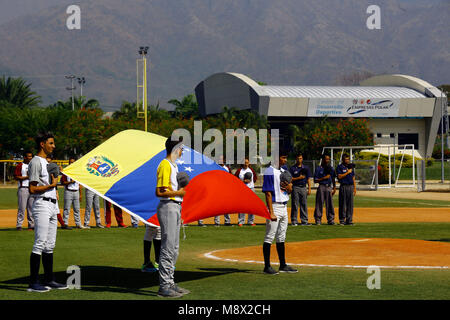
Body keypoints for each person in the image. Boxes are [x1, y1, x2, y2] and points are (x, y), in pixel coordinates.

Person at [27, 131, 68, 292]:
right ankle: (33, 282)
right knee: (40, 243)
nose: (54, 146)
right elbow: (32, 188)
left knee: (50, 246)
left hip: (52, 204)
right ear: (42, 144)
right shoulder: (36, 162)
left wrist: (54, 187)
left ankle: (49, 279)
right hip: (42, 204)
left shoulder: (46, 162)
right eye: (51, 143)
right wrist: (51, 186)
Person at [155, 137, 190, 298]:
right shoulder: (165, 165)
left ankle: (170, 282)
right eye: (181, 148)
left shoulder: (174, 166)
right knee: (168, 248)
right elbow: (159, 192)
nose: (182, 151)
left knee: (174, 248)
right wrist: (179, 193)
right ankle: (164, 286)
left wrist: (180, 191)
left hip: (175, 206)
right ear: (176, 149)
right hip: (168, 205)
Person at [262, 148, 298, 275]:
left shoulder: (284, 171)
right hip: (275, 207)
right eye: (283, 157)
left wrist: (289, 188)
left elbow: (287, 190)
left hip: (283, 206)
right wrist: (270, 212)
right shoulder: (269, 172)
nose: (285, 160)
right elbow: (267, 193)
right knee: (269, 237)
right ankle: (267, 267)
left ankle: (283, 265)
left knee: (281, 237)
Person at [61, 157, 85, 229]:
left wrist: (80, 194)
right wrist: (70, 182)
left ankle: (78, 224)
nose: (72, 163)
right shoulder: (66, 171)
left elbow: (79, 184)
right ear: (68, 163)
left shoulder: (77, 171)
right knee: (66, 208)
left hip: (76, 191)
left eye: (73, 162)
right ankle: (65, 223)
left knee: (77, 209)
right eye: (70, 162)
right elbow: (63, 182)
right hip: (68, 191)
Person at [289, 152, 312, 226]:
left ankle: (304, 220)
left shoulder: (306, 168)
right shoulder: (292, 168)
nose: (300, 160)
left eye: (301, 158)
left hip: (303, 187)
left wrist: (309, 188)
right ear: (296, 159)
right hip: (295, 187)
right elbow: (290, 179)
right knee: (295, 204)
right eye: (298, 158)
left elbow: (308, 179)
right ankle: (294, 220)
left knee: (304, 204)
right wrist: (298, 178)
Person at [313, 154, 337, 225]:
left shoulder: (331, 168)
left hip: (329, 187)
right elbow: (315, 180)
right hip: (321, 186)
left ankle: (331, 220)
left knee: (330, 204)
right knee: (319, 203)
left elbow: (333, 178)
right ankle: (318, 220)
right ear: (323, 159)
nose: (327, 160)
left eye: (328, 159)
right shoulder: (318, 168)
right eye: (326, 159)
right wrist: (323, 178)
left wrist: (334, 187)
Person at [14, 151, 34, 230]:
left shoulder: (32, 165)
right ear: (25, 157)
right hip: (23, 188)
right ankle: (19, 225)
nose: (30, 158)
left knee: (31, 208)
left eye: (31, 156)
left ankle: (31, 225)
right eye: (28, 156)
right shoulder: (20, 165)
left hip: (32, 188)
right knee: (22, 208)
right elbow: (16, 177)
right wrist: (27, 177)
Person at [235, 158, 257, 226]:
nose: (245, 164)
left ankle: (251, 221)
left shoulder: (251, 170)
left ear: (249, 163)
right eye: (244, 162)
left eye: (247, 162)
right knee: (242, 206)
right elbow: (235, 180)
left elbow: (255, 178)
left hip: (251, 189)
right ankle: (241, 221)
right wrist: (243, 182)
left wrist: (251, 183)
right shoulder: (239, 171)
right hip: (242, 189)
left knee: (252, 206)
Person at [336, 154, 356, 226]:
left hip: (350, 186)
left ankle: (349, 220)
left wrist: (354, 188)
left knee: (350, 204)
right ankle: (342, 220)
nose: (347, 161)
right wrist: (347, 172)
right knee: (342, 204)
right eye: (346, 159)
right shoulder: (340, 167)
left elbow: (353, 178)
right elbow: (339, 176)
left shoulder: (350, 167)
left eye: (348, 159)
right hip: (343, 186)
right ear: (343, 160)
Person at [214, 155, 232, 227]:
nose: (220, 160)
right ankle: (217, 222)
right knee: (216, 206)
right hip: (217, 189)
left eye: (222, 159)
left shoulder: (227, 168)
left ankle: (227, 221)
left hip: (225, 189)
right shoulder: (214, 167)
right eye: (219, 159)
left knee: (226, 206)